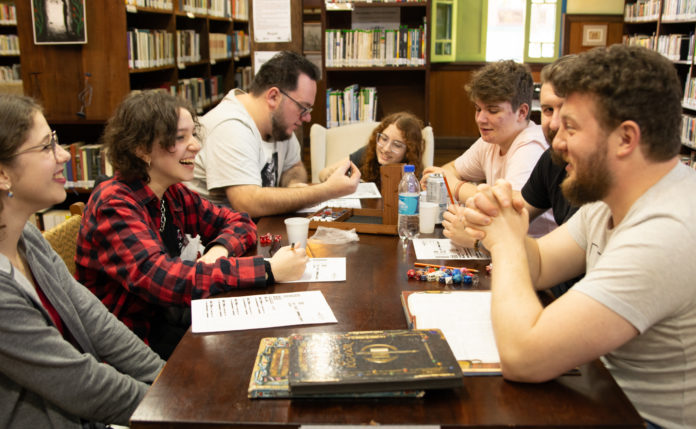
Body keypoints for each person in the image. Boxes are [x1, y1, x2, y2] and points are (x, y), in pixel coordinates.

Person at [463, 45, 696, 428]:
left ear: (625, 139)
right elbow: (539, 264)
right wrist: (500, 221)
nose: (556, 142)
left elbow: (522, 358)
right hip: (602, 393)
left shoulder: (666, 231)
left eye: (571, 128)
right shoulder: (613, 198)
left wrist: (504, 242)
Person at [75, 91, 308, 360]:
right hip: (132, 347)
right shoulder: (114, 205)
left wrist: (219, 250)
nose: (196, 146)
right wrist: (267, 269)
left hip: (169, 321)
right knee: (247, 356)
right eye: (180, 138)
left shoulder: (171, 192)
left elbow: (240, 221)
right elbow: (163, 279)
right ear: (141, 149)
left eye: (193, 135)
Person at [0, 94, 165, 428]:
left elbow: (93, 318)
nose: (63, 155)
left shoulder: (26, 236)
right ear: (3, 174)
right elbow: (78, 383)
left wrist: (165, 377)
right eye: (46, 147)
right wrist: (174, 404)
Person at [443, 57, 580, 297]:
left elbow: (507, 223)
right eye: (548, 110)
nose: (555, 125)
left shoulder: (533, 146)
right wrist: (487, 234)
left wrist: (479, 239)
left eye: (569, 111)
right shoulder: (552, 160)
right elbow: (514, 224)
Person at [187, 51, 361, 218]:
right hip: (214, 234)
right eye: (303, 108)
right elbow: (248, 203)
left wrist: (293, 184)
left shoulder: (278, 124)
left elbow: (294, 167)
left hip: (253, 227)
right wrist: (327, 191)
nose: (307, 118)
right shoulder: (230, 126)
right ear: (273, 97)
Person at [421, 60, 555, 239]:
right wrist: (446, 181)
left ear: (522, 112)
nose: (480, 119)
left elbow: (509, 212)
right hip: (499, 243)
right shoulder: (492, 139)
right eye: (478, 109)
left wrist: (456, 187)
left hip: (533, 248)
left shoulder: (531, 145)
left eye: (492, 110)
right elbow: (450, 170)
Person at [318, 112, 424, 187]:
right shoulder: (368, 152)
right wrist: (336, 177)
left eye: (397, 145)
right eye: (384, 139)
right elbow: (323, 174)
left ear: (409, 151)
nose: (386, 149)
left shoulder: (414, 174)